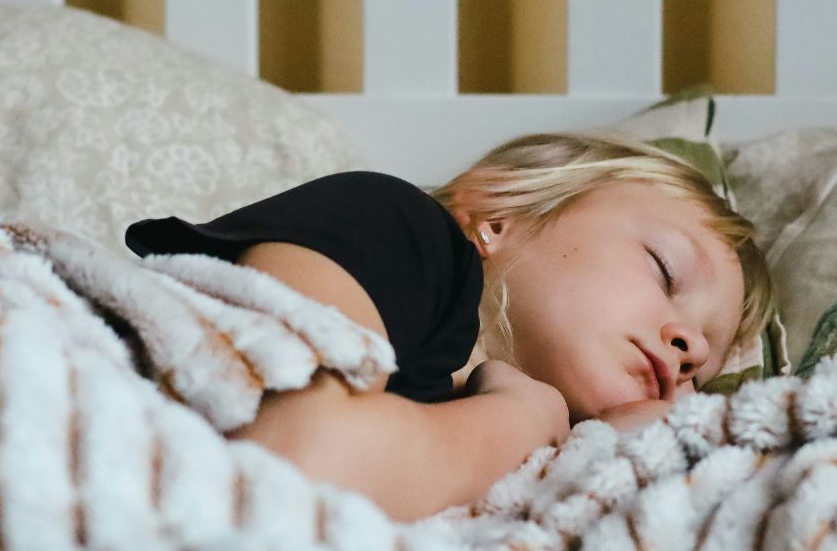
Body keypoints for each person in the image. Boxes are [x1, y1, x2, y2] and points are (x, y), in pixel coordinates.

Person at [124, 132, 774, 521]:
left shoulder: (544, 474)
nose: (688, 346)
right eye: (664, 270)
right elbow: (292, 471)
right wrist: (526, 414)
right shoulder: (394, 225)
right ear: (498, 214)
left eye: (705, 367)